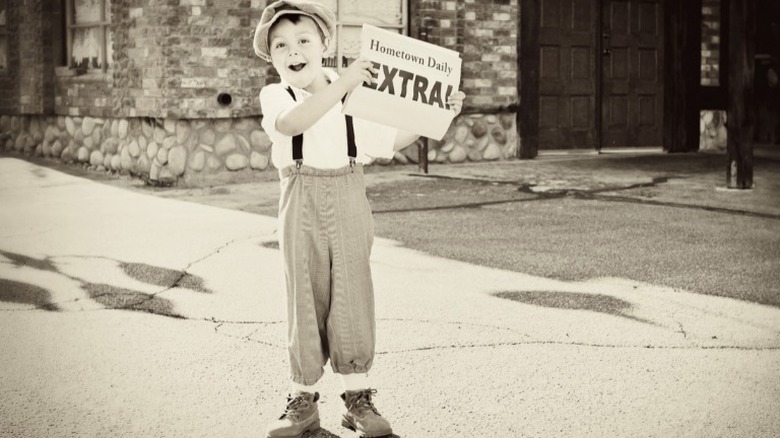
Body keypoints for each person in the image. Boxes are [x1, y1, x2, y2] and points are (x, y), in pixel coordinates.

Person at [253, 1, 465, 437]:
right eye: (281, 45)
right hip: (300, 201)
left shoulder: (353, 94)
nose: (293, 51)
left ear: (325, 44)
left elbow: (390, 138)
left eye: (304, 40)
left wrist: (438, 112)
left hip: (349, 195)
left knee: (351, 297)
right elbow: (293, 124)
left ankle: (358, 400)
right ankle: (302, 400)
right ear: (271, 57)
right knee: (305, 299)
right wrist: (345, 81)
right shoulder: (278, 95)